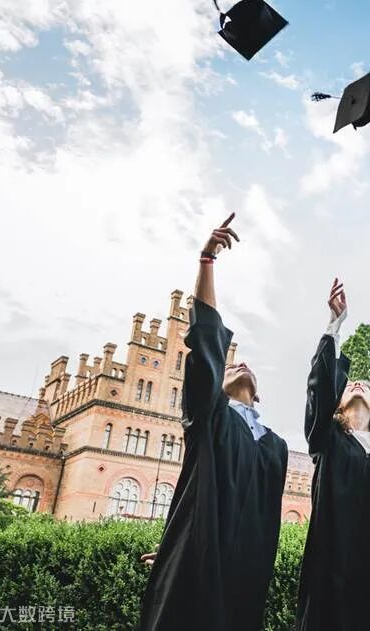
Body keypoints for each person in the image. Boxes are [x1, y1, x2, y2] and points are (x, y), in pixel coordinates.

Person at [139, 214, 289, 631]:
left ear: (258, 394)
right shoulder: (210, 417)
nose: (239, 364)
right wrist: (207, 261)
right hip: (200, 560)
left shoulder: (274, 445)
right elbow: (205, 342)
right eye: (229, 366)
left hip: (246, 571)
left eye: (246, 366)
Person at [295, 278, 370, 631]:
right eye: (349, 384)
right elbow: (319, 389)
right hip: (328, 571)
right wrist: (334, 325)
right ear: (336, 404)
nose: (356, 384)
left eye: (364, 386)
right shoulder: (328, 439)